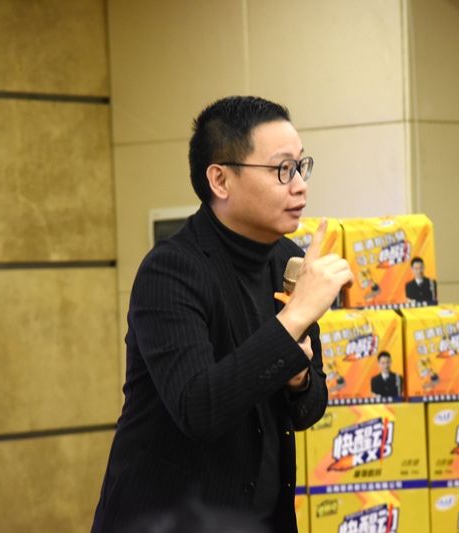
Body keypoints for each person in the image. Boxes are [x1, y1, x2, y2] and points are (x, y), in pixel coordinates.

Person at [91, 96, 353, 533]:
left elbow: (307, 410)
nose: (299, 186)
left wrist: (298, 380)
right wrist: (295, 318)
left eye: (301, 167)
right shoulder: (170, 270)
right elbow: (199, 409)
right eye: (282, 169)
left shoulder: (286, 259)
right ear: (220, 180)